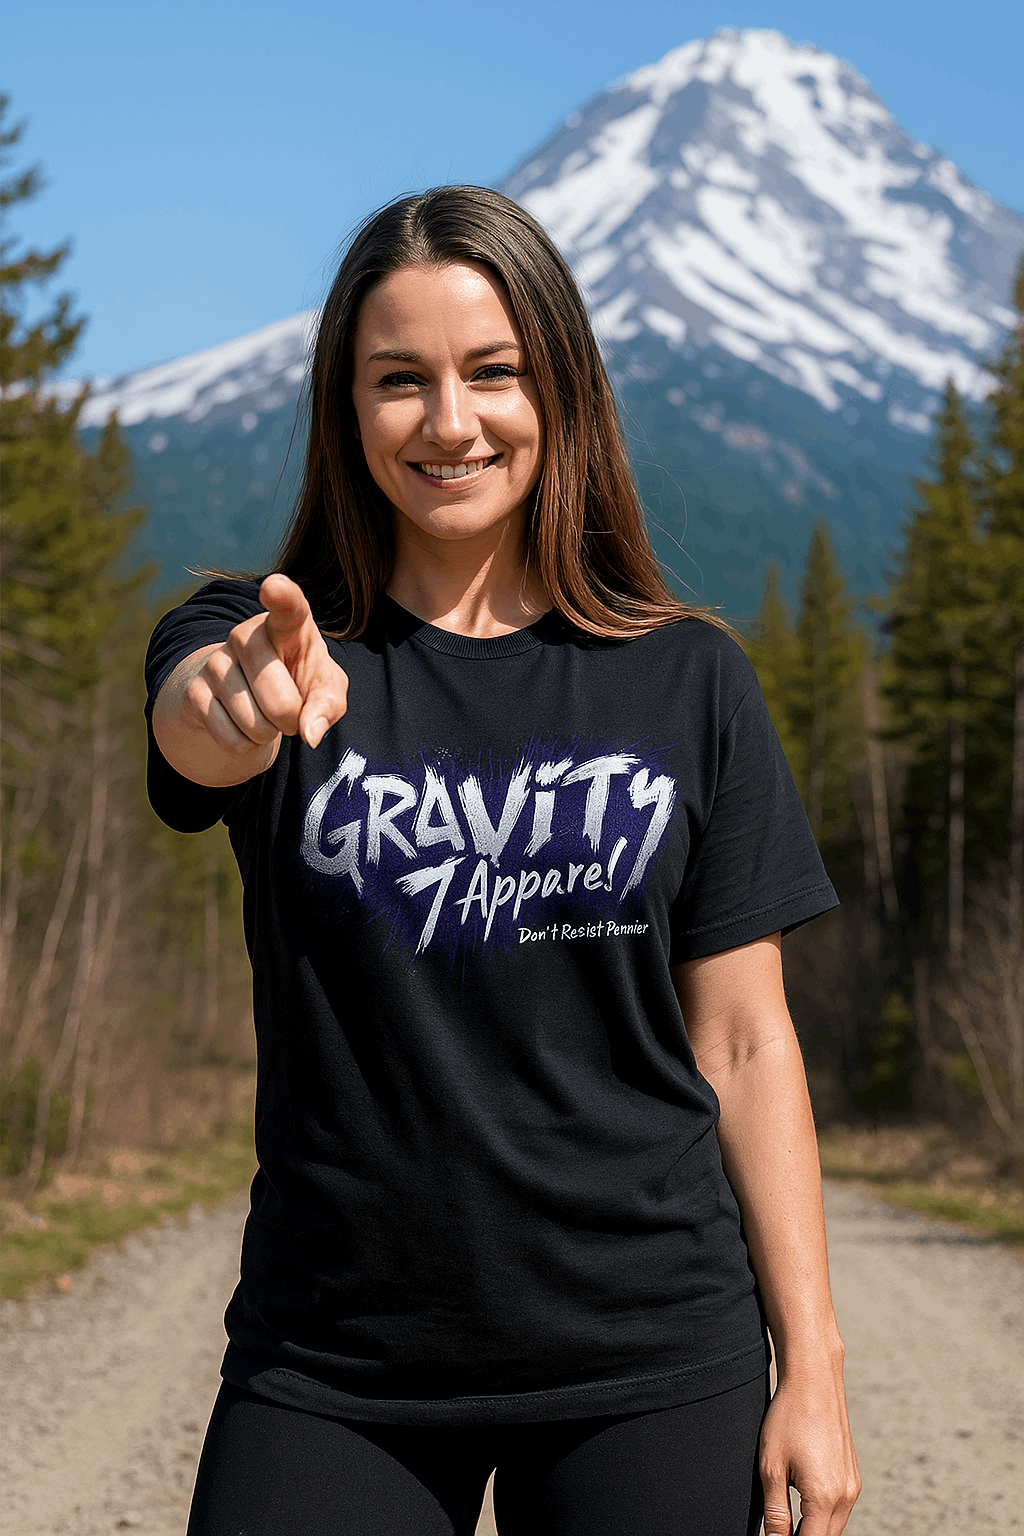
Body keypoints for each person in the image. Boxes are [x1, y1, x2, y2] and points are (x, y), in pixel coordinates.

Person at [146, 185, 861, 1536]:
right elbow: (197, 726)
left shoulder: (689, 679)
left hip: (649, 1358)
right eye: (399, 381)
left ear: (564, 391)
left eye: (495, 373)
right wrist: (229, 702)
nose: (452, 422)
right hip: (333, 1364)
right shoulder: (275, 645)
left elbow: (749, 1042)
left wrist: (812, 1370)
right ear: (346, 412)